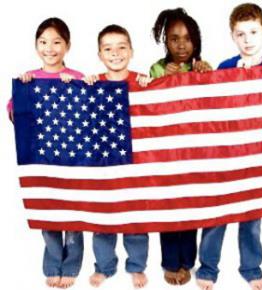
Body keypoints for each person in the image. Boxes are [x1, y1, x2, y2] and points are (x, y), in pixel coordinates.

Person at [196, 4, 262, 290]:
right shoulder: (226, 67)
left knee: (251, 217)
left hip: (255, 158)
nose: (247, 39)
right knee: (217, 215)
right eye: (241, 34)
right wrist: (226, 76)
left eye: (253, 32)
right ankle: (208, 268)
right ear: (232, 36)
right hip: (225, 157)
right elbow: (209, 109)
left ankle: (251, 267)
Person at [8, 17, 84, 288]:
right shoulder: (29, 79)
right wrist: (23, 92)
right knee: (48, 211)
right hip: (42, 161)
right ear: (35, 45)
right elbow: (16, 116)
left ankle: (72, 265)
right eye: (43, 42)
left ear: (67, 46)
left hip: (72, 160)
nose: (49, 48)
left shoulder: (76, 78)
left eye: (56, 42)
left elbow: (89, 116)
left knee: (73, 214)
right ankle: (53, 264)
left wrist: (74, 88)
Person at [84, 24, 151, 289]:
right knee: (104, 217)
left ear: (131, 51)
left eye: (121, 47)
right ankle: (104, 267)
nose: (115, 53)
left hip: (136, 162)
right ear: (100, 54)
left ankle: (136, 266)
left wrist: (150, 86)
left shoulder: (142, 81)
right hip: (103, 162)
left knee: (135, 217)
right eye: (108, 49)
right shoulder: (93, 84)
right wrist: (83, 87)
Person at [149, 7, 212, 285]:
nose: (181, 44)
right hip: (166, 152)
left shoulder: (201, 67)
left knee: (191, 208)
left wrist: (207, 75)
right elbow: (148, 105)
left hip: (194, 152)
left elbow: (213, 106)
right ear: (166, 42)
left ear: (195, 41)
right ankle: (170, 262)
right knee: (169, 208)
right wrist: (162, 80)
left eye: (187, 38)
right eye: (174, 39)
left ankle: (188, 261)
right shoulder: (158, 68)